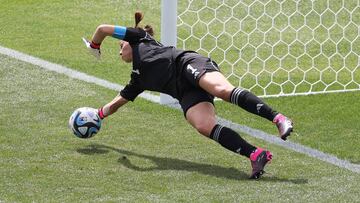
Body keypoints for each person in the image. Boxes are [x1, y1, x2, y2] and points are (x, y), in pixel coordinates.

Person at [82, 11, 293, 179]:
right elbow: (118, 102)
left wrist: (95, 45)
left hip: (187, 64)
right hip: (184, 92)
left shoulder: (140, 38)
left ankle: (278, 118)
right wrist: (97, 115)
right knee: (203, 125)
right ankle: (256, 154)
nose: (120, 52)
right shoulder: (138, 79)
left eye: (121, 46)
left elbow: (102, 29)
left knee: (221, 90)